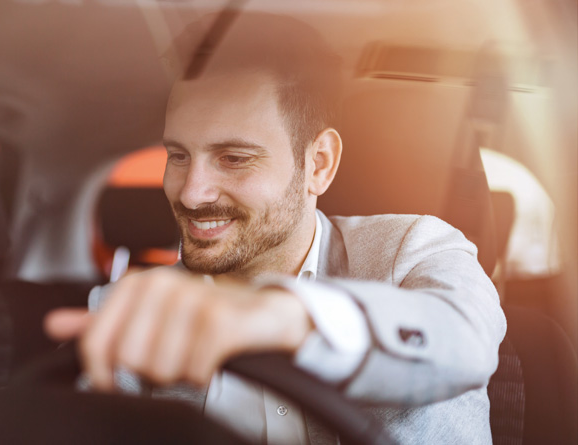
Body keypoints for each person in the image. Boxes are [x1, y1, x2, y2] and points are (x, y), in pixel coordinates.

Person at [45, 13, 506, 445]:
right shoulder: (130, 308)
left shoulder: (411, 251)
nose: (191, 193)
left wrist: (280, 316)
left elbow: (465, 339)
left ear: (318, 165)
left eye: (234, 158)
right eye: (178, 156)